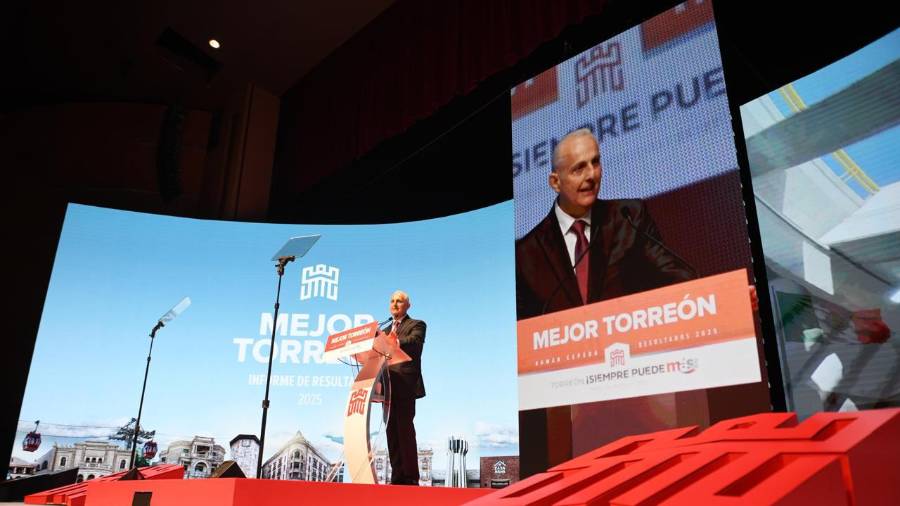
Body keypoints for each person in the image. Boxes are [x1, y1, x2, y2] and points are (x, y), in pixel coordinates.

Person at [515, 128, 695, 319]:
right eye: (579, 168)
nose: (592, 175)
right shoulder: (526, 253)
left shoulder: (629, 217)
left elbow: (675, 275)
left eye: (596, 162)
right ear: (555, 182)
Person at [384, 290, 426, 485]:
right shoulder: (384, 331)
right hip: (387, 386)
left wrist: (396, 341)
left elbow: (415, 343)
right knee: (391, 432)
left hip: (405, 384)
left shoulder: (416, 324)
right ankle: (397, 476)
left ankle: (410, 478)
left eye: (399, 301)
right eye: (392, 301)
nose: (395, 304)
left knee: (404, 430)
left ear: (408, 305)